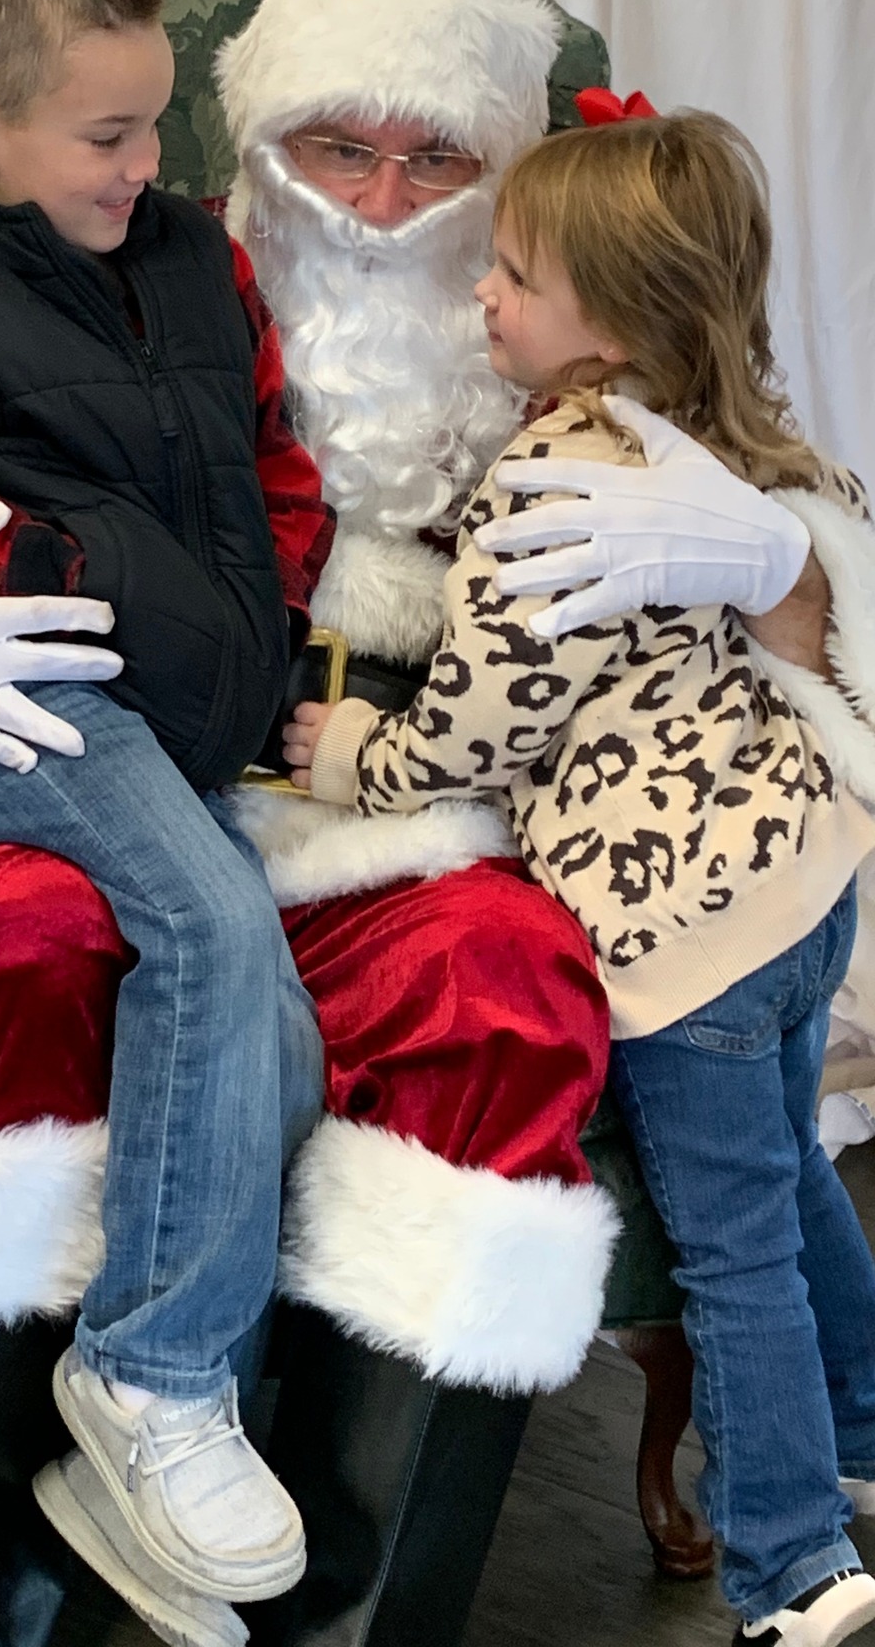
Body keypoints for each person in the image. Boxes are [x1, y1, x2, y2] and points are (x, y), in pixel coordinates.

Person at [0, 0, 839, 1647]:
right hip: (87, 754)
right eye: (339, 150)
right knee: (27, 947)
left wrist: (781, 567)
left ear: (507, 175)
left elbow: (791, 556)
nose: (383, 205)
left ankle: (352, 1604)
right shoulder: (128, 266)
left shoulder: (583, 343)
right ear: (261, 152)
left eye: (437, 159)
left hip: (410, 811)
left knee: (506, 984)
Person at [284, 104, 875, 1647]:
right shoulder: (745, 433)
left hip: (683, 937)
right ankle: (870, 1424)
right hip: (808, 880)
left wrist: (355, 752)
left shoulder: (551, 480)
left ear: (607, 318)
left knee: (731, 1242)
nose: (483, 294)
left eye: (514, 275)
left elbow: (482, 725)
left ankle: (794, 1563)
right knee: (788, 1169)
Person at [0, 0, 332, 1615]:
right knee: (210, 926)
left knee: (278, 1031)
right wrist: (110, 586)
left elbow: (273, 473)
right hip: (2, 710)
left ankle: (134, 1493)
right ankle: (150, 1381)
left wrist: (253, 633)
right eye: (109, 135)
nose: (146, 165)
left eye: (157, 125)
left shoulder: (201, 260)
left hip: (171, 715)